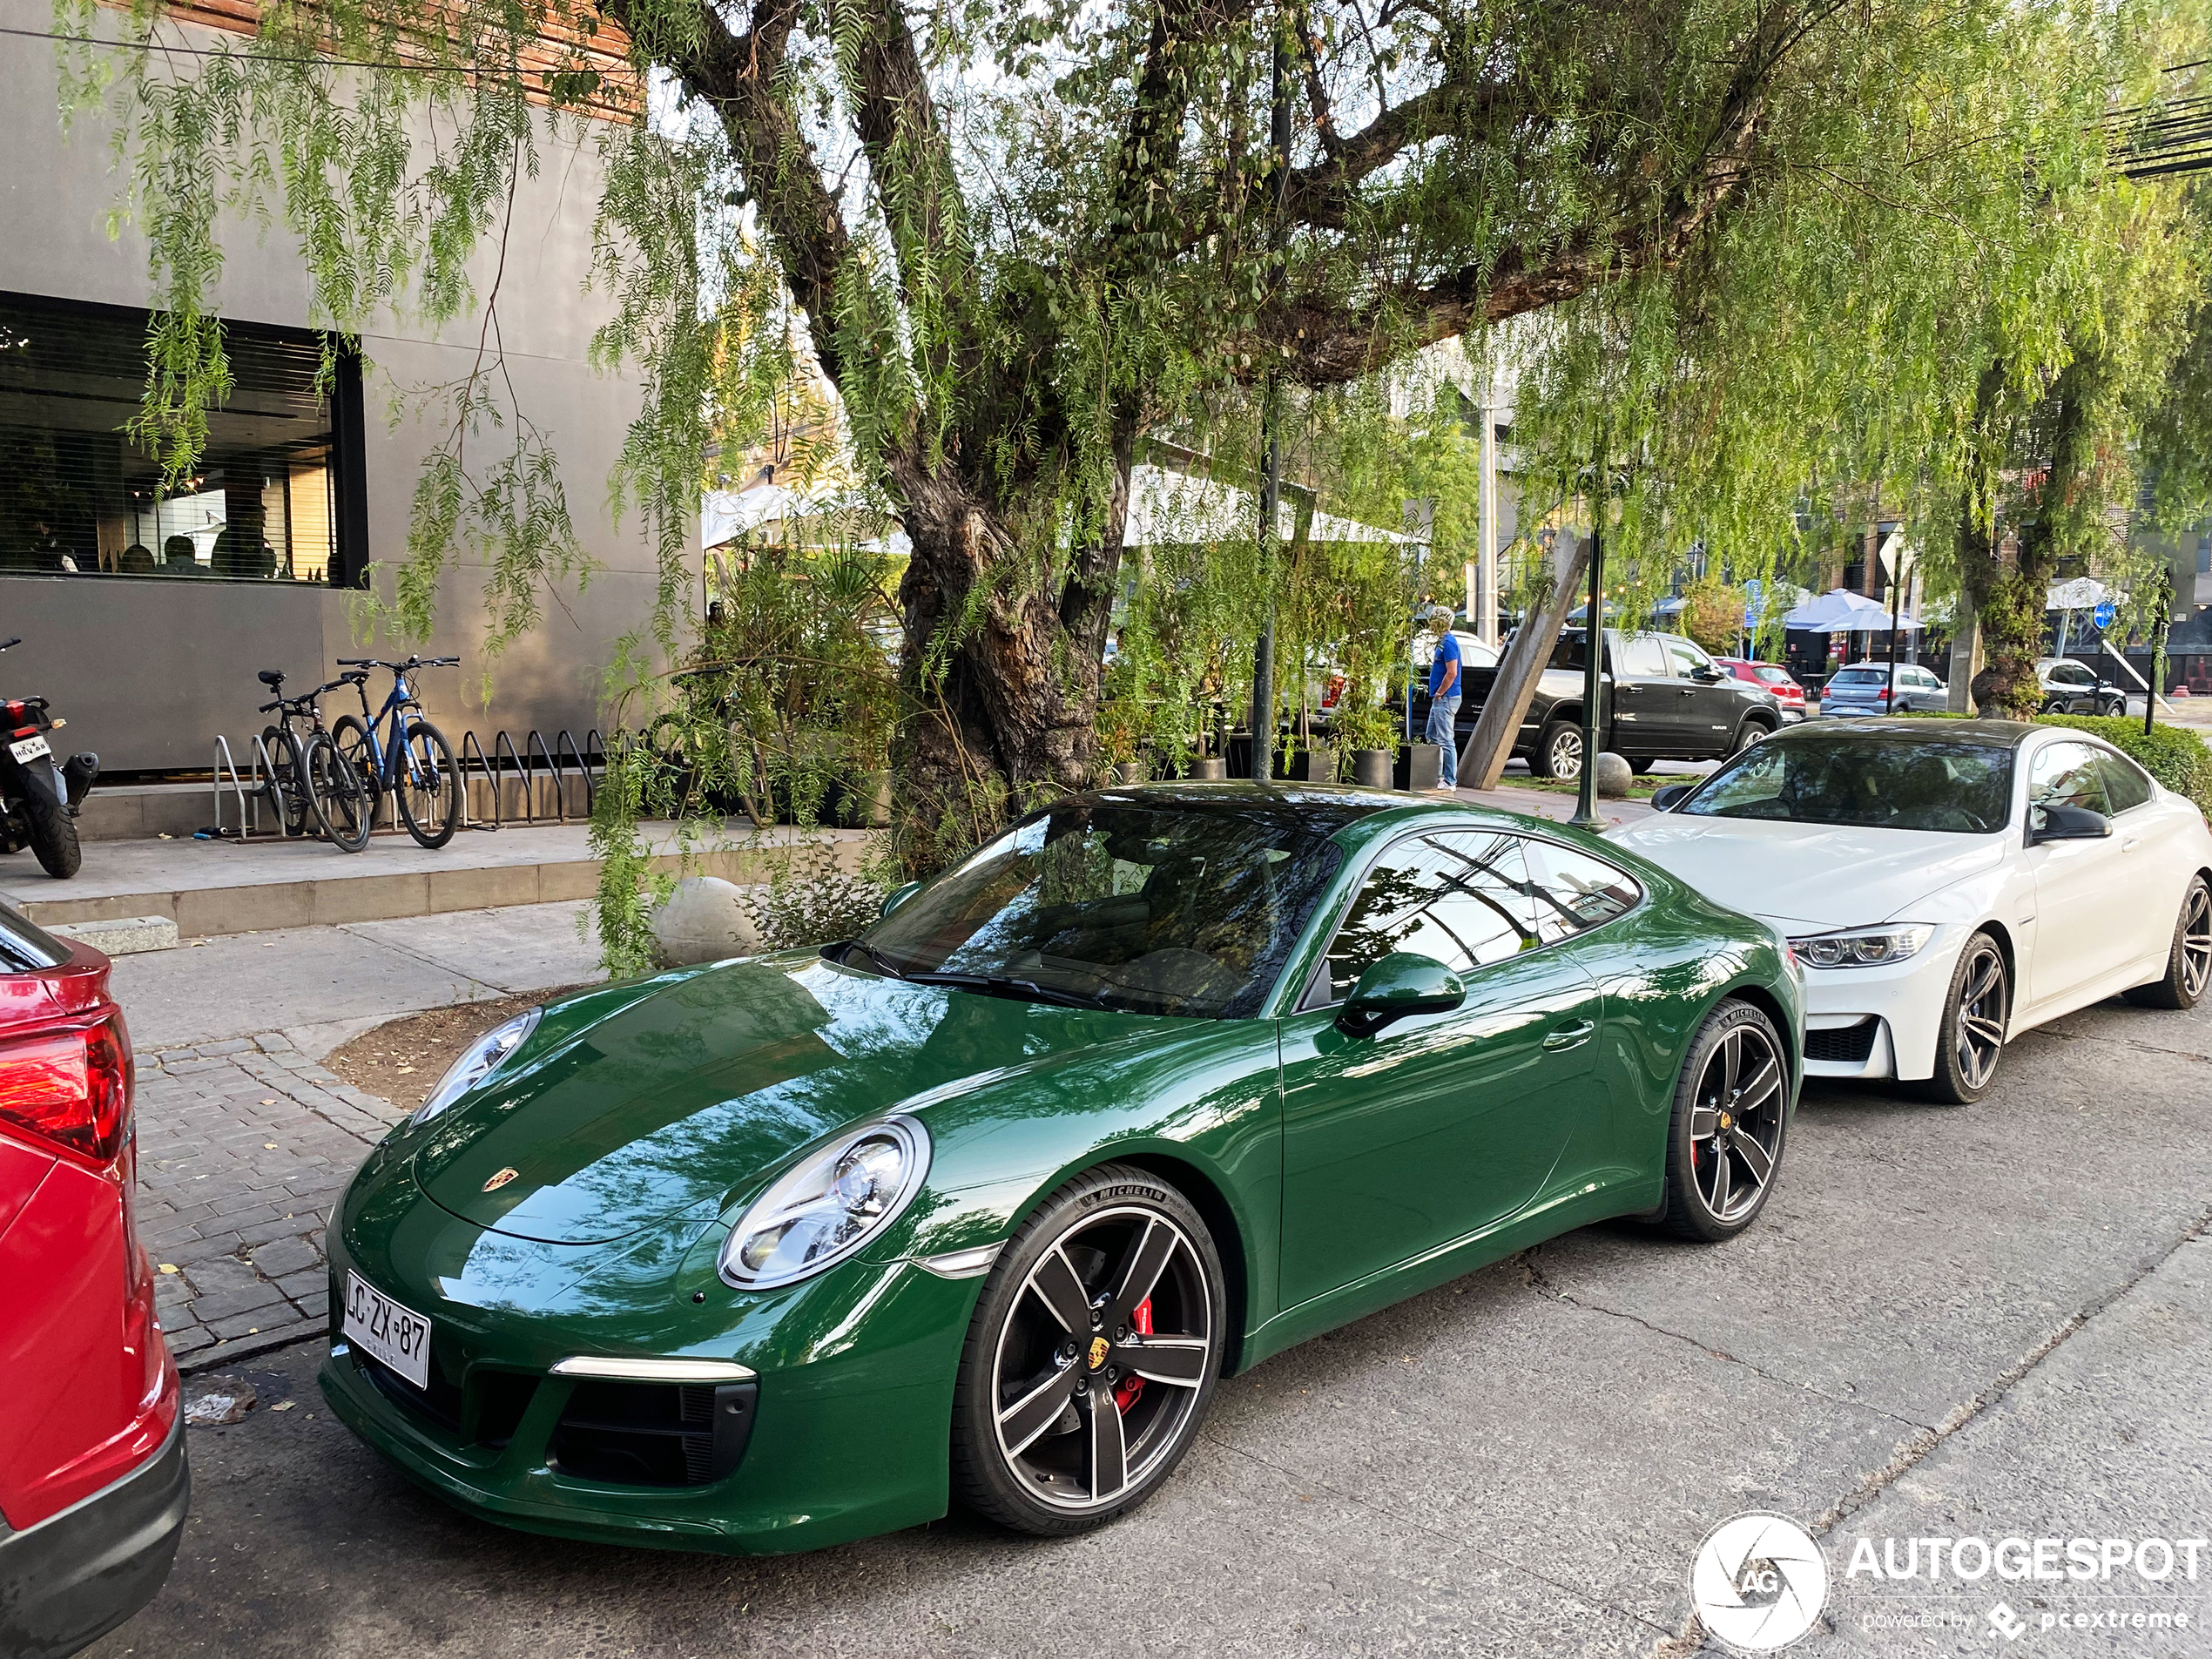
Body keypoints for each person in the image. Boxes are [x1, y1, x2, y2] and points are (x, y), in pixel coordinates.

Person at [1424, 607, 1461, 791]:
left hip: (1445, 697)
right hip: (1440, 697)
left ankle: (1450, 780)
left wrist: (1440, 692)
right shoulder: (1442, 642)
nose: (1430, 624)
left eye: (1433, 620)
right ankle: (1437, 775)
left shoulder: (1448, 643)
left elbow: (1452, 672)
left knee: (1446, 739)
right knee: (1431, 735)